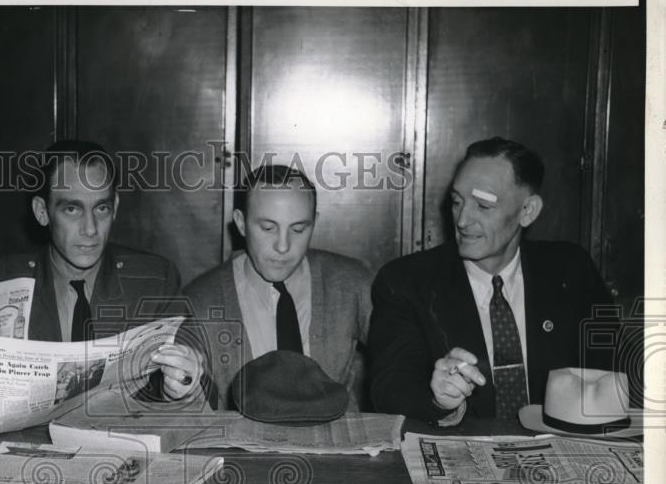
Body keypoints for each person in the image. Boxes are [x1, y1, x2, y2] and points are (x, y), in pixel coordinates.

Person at [368, 137, 617, 424]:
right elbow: (388, 389)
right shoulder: (406, 281)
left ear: (527, 211)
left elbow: (611, 369)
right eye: (457, 201)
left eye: (483, 207)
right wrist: (439, 400)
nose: (462, 220)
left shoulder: (571, 270)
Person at [0, 139, 202, 400]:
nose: (91, 229)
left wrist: (182, 385)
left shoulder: (154, 280)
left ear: (115, 207)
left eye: (101, 208)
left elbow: (186, 382)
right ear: (42, 212)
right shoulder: (2, 282)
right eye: (72, 209)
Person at [183, 164, 373, 409]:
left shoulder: (351, 283)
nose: (283, 246)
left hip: (337, 445)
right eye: (268, 228)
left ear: (314, 223)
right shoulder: (199, 301)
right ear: (241, 223)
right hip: (239, 446)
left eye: (298, 229)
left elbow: (403, 358)